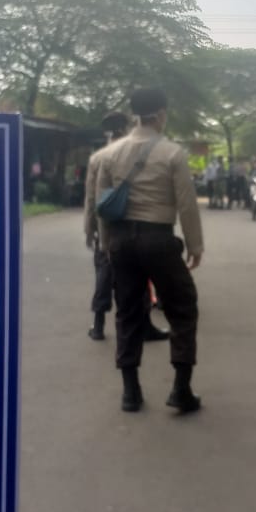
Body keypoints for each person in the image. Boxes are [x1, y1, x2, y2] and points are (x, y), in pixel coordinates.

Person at [96, 88, 204, 414]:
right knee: (182, 308)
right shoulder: (172, 153)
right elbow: (186, 204)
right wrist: (195, 245)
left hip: (121, 242)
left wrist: (106, 246)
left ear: (134, 116)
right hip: (158, 240)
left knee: (128, 312)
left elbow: (103, 206)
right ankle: (180, 389)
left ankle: (131, 392)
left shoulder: (110, 154)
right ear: (160, 115)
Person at [83, 112, 170, 342]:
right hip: (135, 227)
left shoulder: (99, 156)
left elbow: (91, 198)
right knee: (138, 277)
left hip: (107, 227)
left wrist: (88, 229)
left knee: (104, 273)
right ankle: (143, 326)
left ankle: (99, 324)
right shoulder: (139, 153)